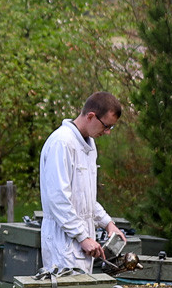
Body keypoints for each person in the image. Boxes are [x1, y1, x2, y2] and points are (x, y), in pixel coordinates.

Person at [37, 91, 125, 273]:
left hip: (81, 242)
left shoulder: (88, 147)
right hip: (62, 243)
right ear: (91, 116)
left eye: (111, 128)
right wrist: (82, 237)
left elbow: (86, 198)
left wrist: (108, 223)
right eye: (106, 126)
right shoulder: (61, 143)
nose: (107, 132)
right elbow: (58, 199)